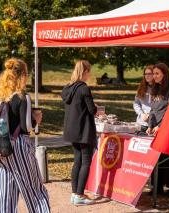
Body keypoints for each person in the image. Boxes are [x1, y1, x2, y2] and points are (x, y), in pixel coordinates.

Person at [0, 58, 50, 212]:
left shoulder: (0, 96)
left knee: (4, 192)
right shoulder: (22, 96)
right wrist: (36, 119)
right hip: (18, 147)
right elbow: (26, 126)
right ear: (23, 75)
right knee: (34, 190)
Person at [61, 60, 97, 205]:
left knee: (77, 161)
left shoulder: (68, 88)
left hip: (72, 130)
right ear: (85, 72)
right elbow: (91, 110)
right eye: (89, 72)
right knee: (85, 161)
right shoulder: (84, 88)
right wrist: (97, 108)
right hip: (84, 130)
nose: (90, 75)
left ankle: (75, 193)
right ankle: (80, 195)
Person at [147, 63, 169, 196]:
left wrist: (161, 126)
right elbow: (153, 110)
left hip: (168, 129)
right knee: (156, 158)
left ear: (164, 74)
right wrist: (150, 125)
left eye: (157, 74)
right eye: (153, 73)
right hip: (156, 130)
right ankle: (157, 186)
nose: (154, 76)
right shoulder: (154, 89)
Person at [133, 65, 154, 133]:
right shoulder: (141, 87)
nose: (147, 76)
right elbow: (136, 103)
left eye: (149, 74)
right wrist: (142, 114)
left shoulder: (160, 89)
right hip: (141, 123)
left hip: (154, 125)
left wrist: (149, 115)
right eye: (145, 74)